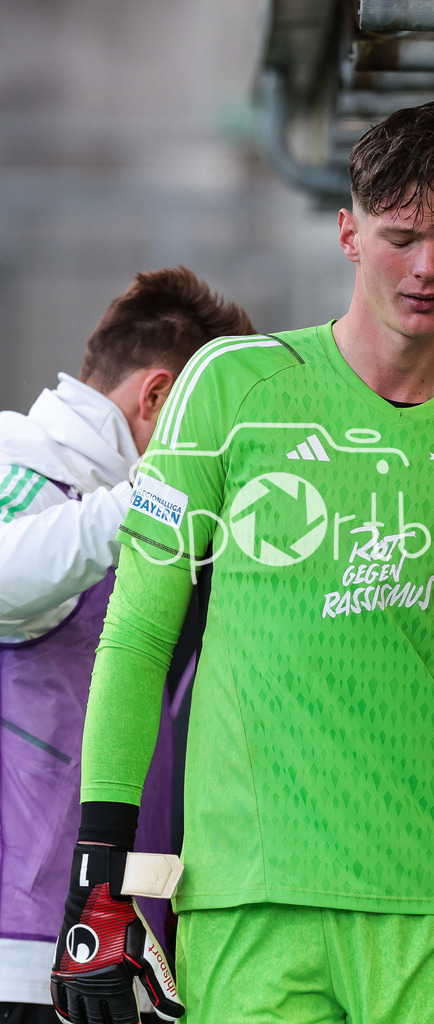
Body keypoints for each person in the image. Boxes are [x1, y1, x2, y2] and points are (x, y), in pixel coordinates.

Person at [51, 101, 434, 1024]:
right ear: (349, 232)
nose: (425, 267)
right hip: (251, 905)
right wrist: (95, 879)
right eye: (399, 237)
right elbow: (138, 635)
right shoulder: (228, 388)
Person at [0, 266, 254, 1024]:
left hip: (104, 941)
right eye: (211, 426)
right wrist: (158, 492)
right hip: (23, 954)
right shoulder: (28, 465)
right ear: (157, 399)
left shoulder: (123, 513)